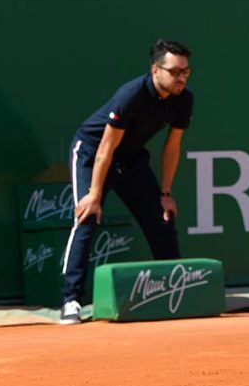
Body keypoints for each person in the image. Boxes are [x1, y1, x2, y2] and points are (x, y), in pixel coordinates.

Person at [59, 39, 194, 325]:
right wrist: (94, 194)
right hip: (92, 154)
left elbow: (172, 146)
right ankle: (71, 300)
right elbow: (105, 149)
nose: (181, 78)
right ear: (155, 70)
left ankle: (177, 291)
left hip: (130, 160)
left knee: (162, 216)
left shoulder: (183, 99)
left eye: (186, 72)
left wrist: (165, 192)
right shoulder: (131, 95)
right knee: (87, 216)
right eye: (175, 72)